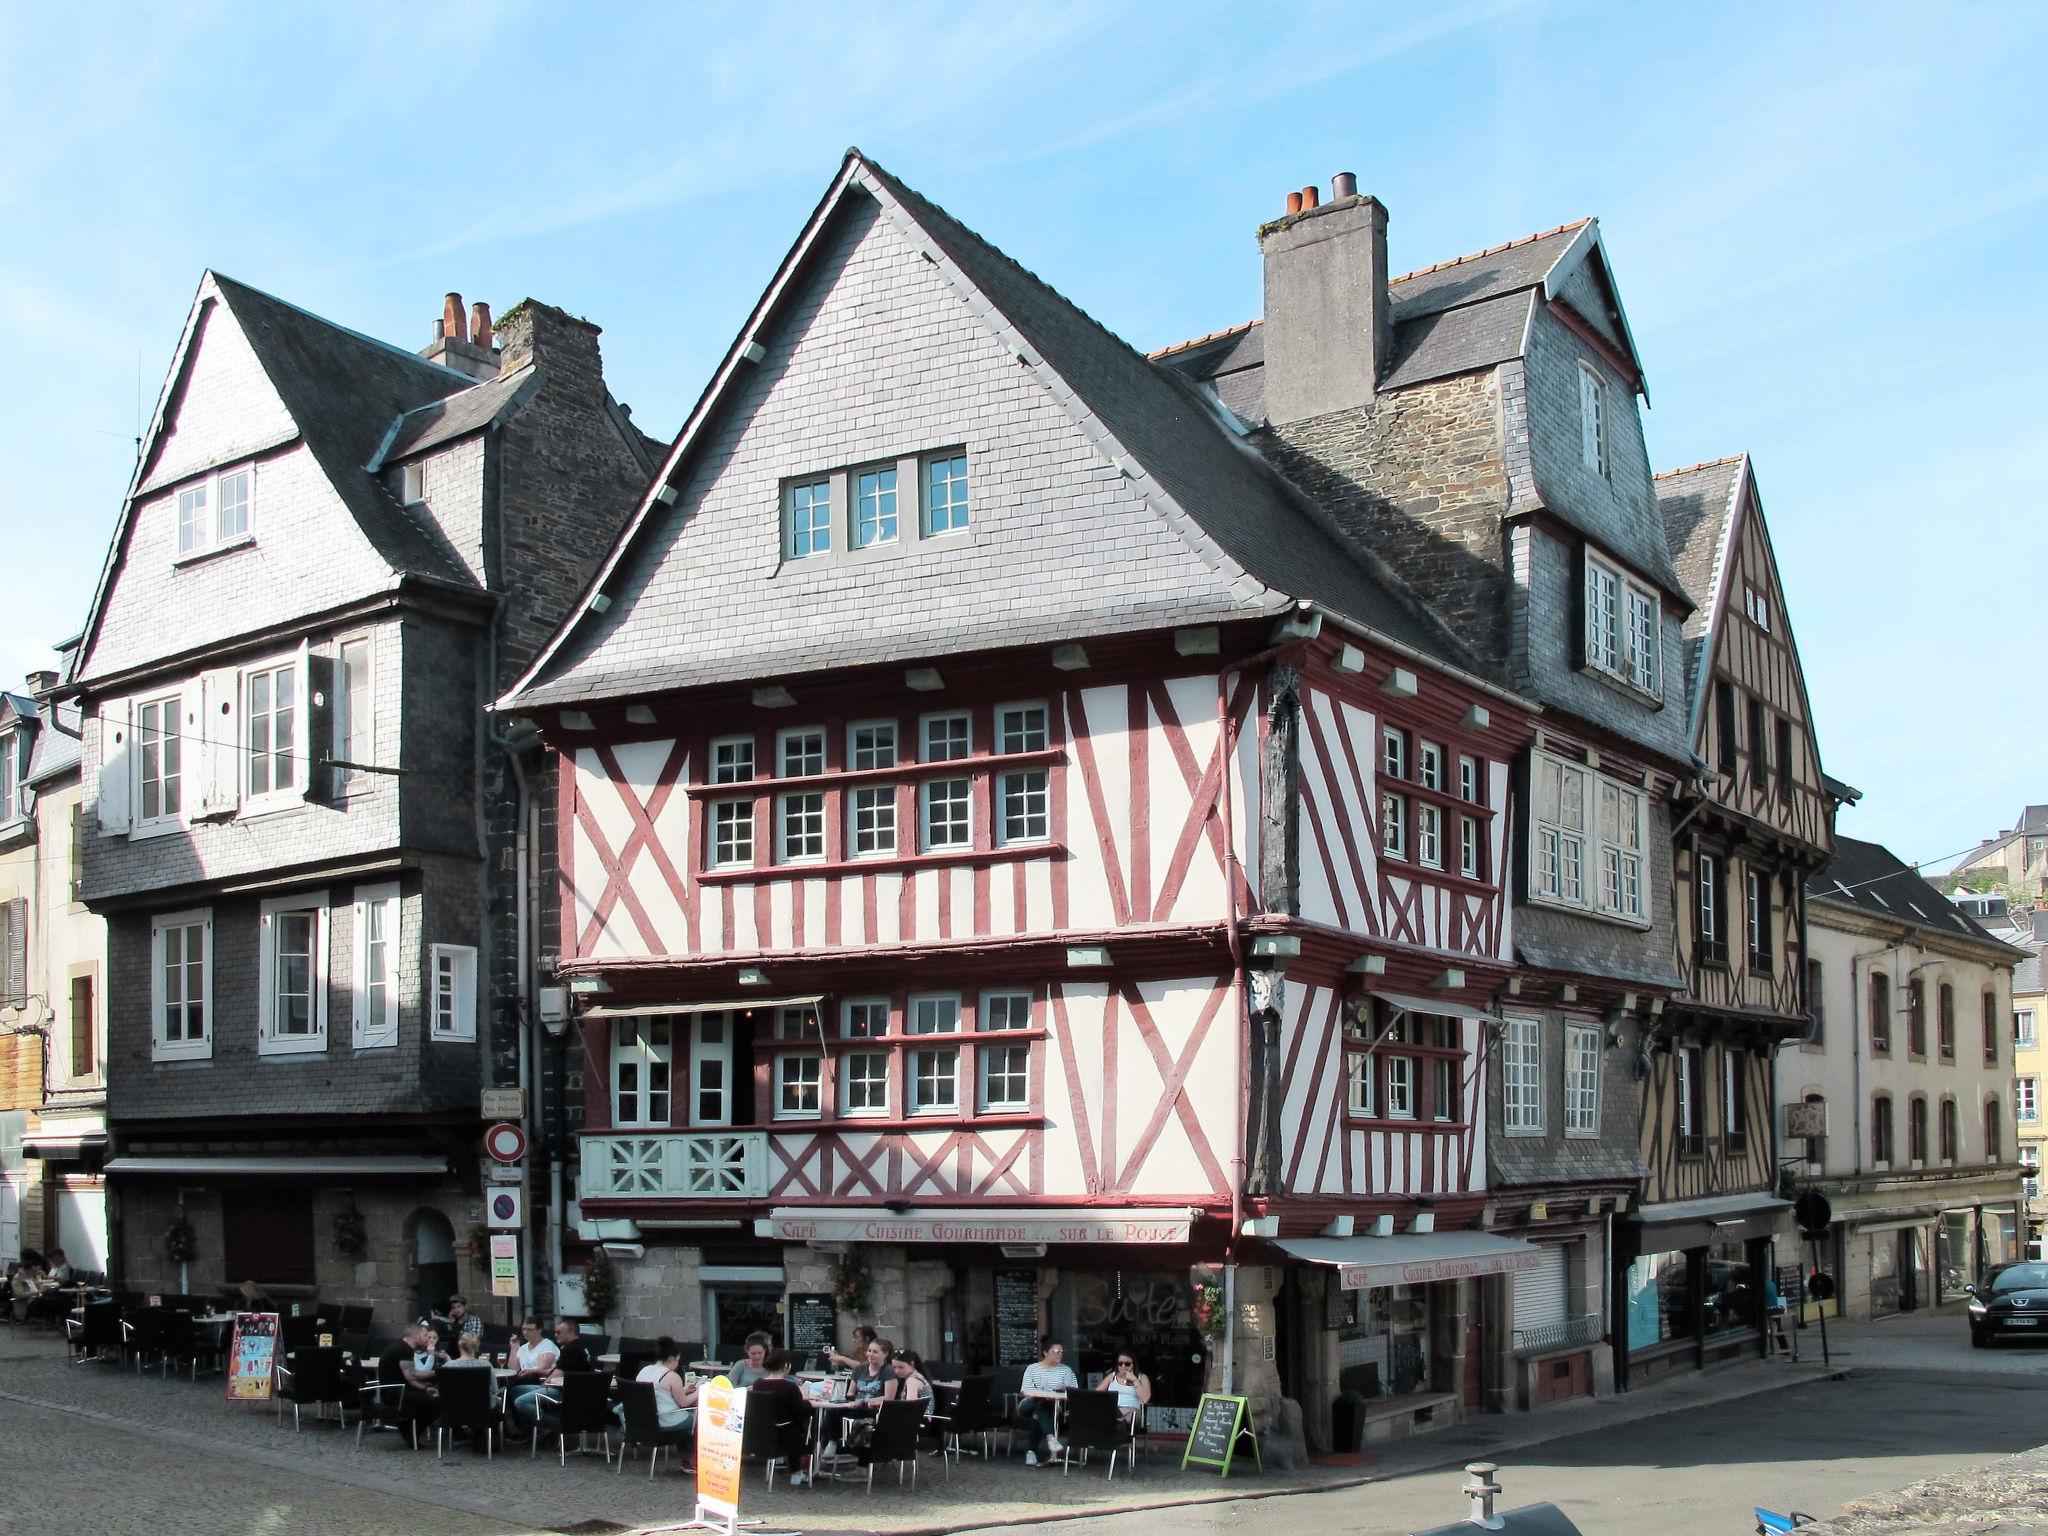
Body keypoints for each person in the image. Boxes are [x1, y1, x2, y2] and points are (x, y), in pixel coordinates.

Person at [748, 1350, 815, 1486]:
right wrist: (808, 1403)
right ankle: (798, 1471)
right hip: (787, 1437)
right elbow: (799, 1411)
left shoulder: (758, 1384)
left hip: (762, 1434)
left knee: (792, 1425)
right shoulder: (789, 1387)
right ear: (786, 1366)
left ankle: (795, 1471)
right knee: (808, 1425)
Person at [1017, 1337, 1077, 1466]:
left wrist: (1055, 1394)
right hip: (1029, 1403)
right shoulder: (1032, 1369)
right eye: (1056, 1351)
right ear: (1045, 1352)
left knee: (1038, 1413)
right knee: (1039, 1403)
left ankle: (1034, 1450)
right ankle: (1050, 1439)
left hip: (1054, 1407)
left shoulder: (1066, 1371)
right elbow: (1026, 1391)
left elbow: (1074, 1392)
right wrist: (1042, 1395)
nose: (1060, 1354)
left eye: (1061, 1351)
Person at [375, 1322, 441, 1436]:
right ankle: (410, 1432)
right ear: (416, 1336)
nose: (428, 1338)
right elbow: (413, 1375)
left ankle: (410, 1430)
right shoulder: (403, 1349)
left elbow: (409, 1378)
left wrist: (425, 1388)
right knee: (436, 1404)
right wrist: (439, 1372)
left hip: (400, 1390)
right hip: (394, 1393)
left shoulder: (404, 1347)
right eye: (425, 1335)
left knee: (435, 1398)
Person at [629, 1337, 700, 1436]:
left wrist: (684, 1389)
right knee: (699, 1420)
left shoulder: (643, 1370)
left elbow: (660, 1395)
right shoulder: (671, 1376)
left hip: (646, 1420)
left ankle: (682, 1444)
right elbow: (683, 1403)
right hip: (667, 1420)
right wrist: (699, 1392)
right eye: (677, 1360)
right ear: (671, 1359)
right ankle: (688, 1446)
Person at [505, 1316, 560, 1433]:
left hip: (543, 1382)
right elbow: (513, 1369)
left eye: (530, 1329)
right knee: (509, 1390)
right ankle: (524, 1428)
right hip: (525, 1380)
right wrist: (514, 1348)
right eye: (524, 1329)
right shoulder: (524, 1348)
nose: (525, 1332)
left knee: (510, 1389)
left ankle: (535, 1427)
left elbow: (543, 1368)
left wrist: (531, 1371)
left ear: (539, 1330)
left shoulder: (546, 1345)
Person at [1097, 1352, 1152, 1420]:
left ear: (1134, 1364)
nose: (1123, 1366)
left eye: (1127, 1364)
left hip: (1133, 1411)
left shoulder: (1142, 1377)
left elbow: (1145, 1399)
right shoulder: (1112, 1376)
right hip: (1113, 1409)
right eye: (1120, 1364)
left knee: (1122, 1416)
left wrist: (1134, 1380)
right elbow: (1096, 1394)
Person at [848, 1337, 892, 1402]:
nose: (870, 1354)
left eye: (875, 1352)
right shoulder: (859, 1369)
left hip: (874, 1408)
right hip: (857, 1407)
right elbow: (850, 1393)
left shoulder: (889, 1371)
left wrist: (865, 1401)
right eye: (869, 1351)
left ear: (885, 1354)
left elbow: (889, 1398)